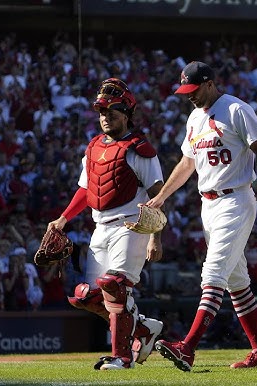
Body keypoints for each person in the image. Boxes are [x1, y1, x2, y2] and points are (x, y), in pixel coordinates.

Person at [146, 61, 257, 371]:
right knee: (236, 281)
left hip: (235, 199)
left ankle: (188, 347)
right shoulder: (194, 117)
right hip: (208, 204)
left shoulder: (236, 109)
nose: (189, 96)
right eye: (186, 91)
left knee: (213, 273)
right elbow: (187, 163)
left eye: (194, 90)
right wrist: (162, 195)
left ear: (209, 84)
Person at [46, 78, 165, 370]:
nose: (105, 118)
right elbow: (86, 191)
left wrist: (155, 237)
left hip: (132, 225)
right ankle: (143, 329)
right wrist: (63, 219)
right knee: (85, 297)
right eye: (101, 112)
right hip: (99, 227)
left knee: (114, 286)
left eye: (111, 112)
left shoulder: (140, 148)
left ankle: (122, 358)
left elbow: (158, 197)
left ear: (126, 114)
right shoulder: (93, 146)